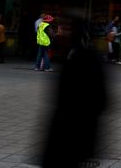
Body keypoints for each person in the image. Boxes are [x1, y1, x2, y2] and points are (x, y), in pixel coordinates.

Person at [41, 17, 108, 168]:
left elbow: (101, 99)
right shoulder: (72, 56)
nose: (60, 33)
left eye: (64, 29)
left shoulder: (83, 58)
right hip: (73, 133)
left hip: (74, 133)